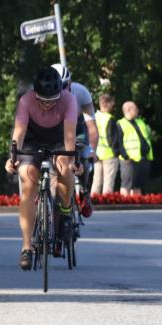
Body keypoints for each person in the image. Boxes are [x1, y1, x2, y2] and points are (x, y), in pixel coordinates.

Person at [5, 67, 82, 269]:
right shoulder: (26, 101)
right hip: (32, 141)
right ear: (35, 94)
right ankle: (26, 248)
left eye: (52, 100)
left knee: (65, 167)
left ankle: (65, 209)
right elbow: (19, 132)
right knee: (28, 180)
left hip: (58, 140)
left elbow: (70, 135)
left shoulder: (69, 100)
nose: (47, 105)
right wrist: (12, 158)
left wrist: (72, 161)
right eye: (42, 100)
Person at [52, 63, 98, 216]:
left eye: (64, 86)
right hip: (56, 130)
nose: (61, 92)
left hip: (78, 128)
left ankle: (84, 191)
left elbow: (92, 127)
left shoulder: (81, 93)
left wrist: (92, 150)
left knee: (82, 157)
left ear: (70, 83)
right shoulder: (43, 94)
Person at [117, 101, 153, 196]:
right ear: (128, 110)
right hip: (129, 160)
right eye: (135, 109)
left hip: (143, 158)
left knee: (138, 186)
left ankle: (137, 204)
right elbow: (118, 142)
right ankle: (124, 203)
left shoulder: (140, 122)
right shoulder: (120, 123)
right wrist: (125, 156)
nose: (137, 111)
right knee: (127, 185)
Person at [92, 94, 123, 195]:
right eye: (112, 103)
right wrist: (116, 152)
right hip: (109, 155)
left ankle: (93, 200)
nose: (113, 106)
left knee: (96, 181)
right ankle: (106, 201)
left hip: (97, 153)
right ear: (108, 104)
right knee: (108, 182)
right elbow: (112, 138)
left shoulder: (94, 117)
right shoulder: (109, 118)